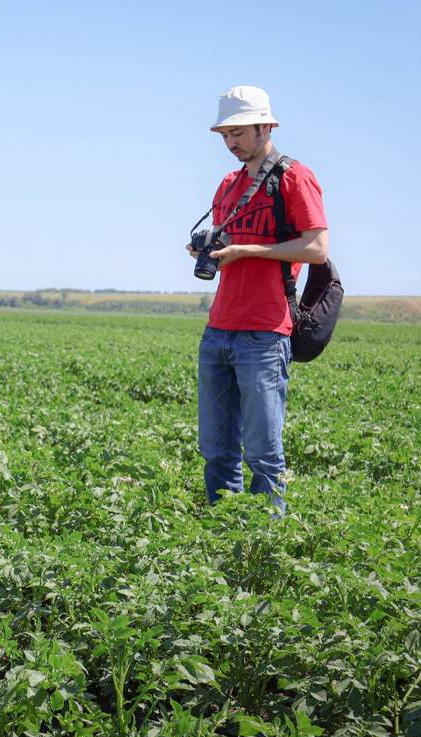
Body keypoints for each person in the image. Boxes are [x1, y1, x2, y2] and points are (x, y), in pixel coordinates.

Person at [187, 85, 329, 515]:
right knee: (216, 451)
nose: (232, 143)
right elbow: (231, 244)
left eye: (240, 133)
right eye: (225, 136)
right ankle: (221, 536)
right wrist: (208, 251)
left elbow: (317, 247)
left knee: (264, 455)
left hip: (265, 333)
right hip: (219, 330)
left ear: (266, 126)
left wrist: (248, 251)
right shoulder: (228, 184)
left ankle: (265, 549)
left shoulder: (293, 177)